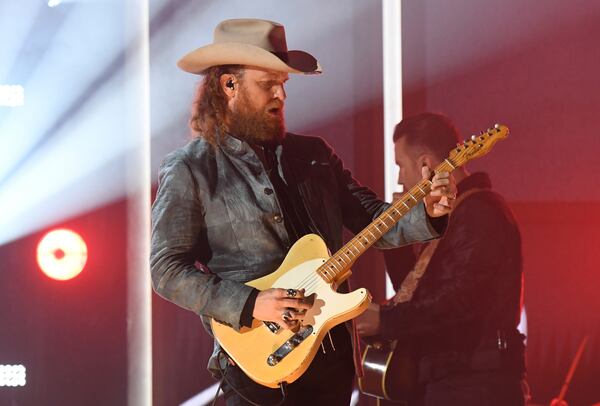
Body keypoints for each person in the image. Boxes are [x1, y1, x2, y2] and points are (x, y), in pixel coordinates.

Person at [150, 19, 456, 406]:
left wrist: (427, 213)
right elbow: (165, 268)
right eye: (267, 84)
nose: (280, 95)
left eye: (284, 84)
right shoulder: (191, 168)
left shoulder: (314, 156)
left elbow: (375, 222)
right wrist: (249, 303)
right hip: (256, 367)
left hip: (330, 361)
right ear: (229, 85)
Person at [356, 112, 528, 405]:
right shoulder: (452, 216)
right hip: (447, 380)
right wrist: (398, 236)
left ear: (425, 164)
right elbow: (416, 294)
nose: (399, 178)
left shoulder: (480, 214)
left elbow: (459, 302)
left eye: (400, 166)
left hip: (476, 385)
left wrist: (384, 320)